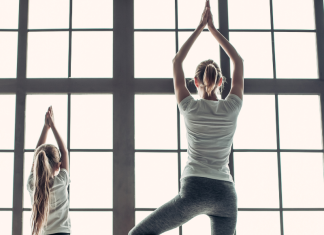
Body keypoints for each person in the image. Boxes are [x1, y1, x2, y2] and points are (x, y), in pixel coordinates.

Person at [129, 0, 244, 234]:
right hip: (225, 194)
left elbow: (176, 61)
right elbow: (238, 62)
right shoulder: (232, 106)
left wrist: (200, 28)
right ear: (222, 82)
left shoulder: (189, 106)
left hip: (194, 189)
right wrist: (214, 31)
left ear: (195, 81)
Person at [27, 106, 71, 235]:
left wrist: (46, 128)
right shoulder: (61, 181)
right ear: (59, 165)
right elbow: (65, 152)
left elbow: (37, 154)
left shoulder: (32, 184)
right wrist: (52, 126)